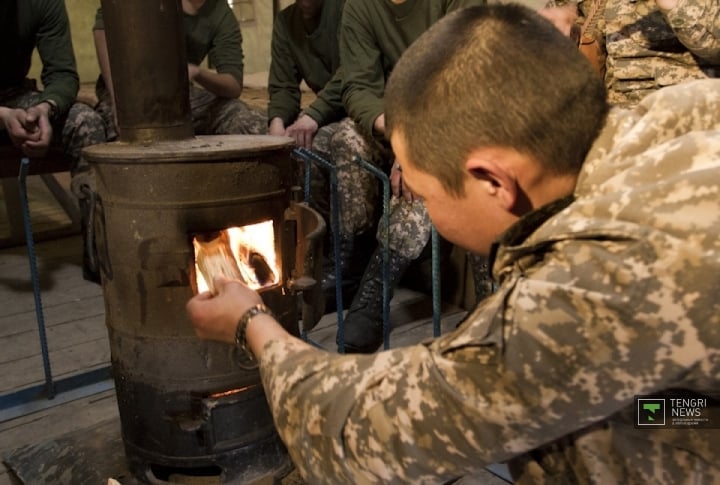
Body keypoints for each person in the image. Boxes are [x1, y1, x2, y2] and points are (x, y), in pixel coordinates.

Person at [187, 4, 720, 482]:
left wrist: (250, 324)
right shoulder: (678, 114)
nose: (422, 205)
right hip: (699, 409)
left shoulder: (583, 295)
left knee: (571, 434)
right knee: (637, 409)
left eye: (422, 190)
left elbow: (361, 435)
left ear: (493, 180)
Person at [267, 0, 374, 311]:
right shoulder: (286, 23)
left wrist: (313, 114)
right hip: (327, 113)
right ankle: (317, 257)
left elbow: (352, 74)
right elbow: (284, 85)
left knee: (331, 144)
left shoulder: (345, 10)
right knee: (297, 149)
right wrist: (276, 123)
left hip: (358, 106)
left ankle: (348, 264)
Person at [0, 0, 107, 282]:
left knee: (86, 122)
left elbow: (61, 74)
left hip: (12, 97)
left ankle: (99, 255)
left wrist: (46, 108)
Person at [93, 0, 267, 141]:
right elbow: (104, 27)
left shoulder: (220, 13)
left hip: (181, 94)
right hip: (129, 90)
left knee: (246, 119)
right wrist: (120, 101)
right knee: (108, 133)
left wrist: (198, 73)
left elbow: (233, 85)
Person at [552, 0, 720, 107]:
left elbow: (714, 45)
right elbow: (583, 31)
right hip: (611, 119)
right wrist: (560, 34)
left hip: (683, 117)